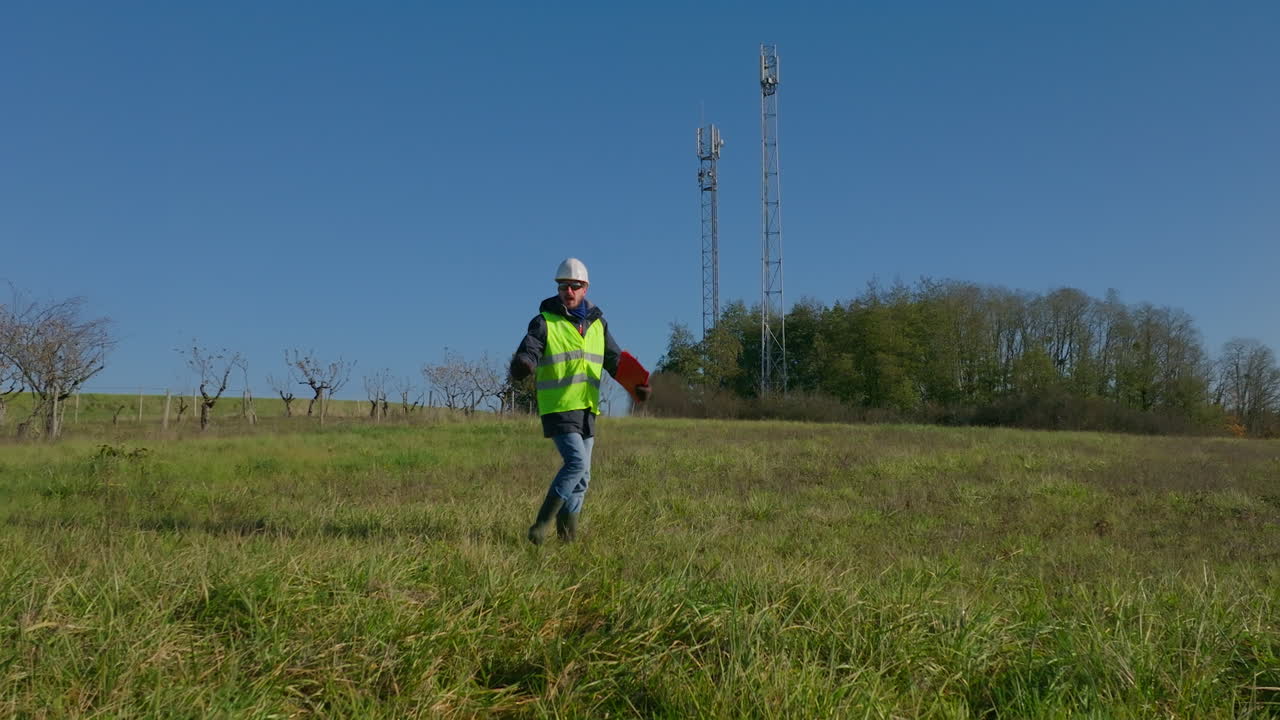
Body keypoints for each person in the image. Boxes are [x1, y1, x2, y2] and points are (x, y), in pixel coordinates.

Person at [509, 257, 651, 545]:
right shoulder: (544, 321)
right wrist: (524, 362)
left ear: (585, 288)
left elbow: (614, 360)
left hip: (587, 408)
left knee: (583, 476)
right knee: (575, 464)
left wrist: (637, 385)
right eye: (563, 286)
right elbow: (531, 347)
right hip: (559, 406)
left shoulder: (598, 325)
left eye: (574, 286)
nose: (568, 291)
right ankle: (540, 526)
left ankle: (567, 537)